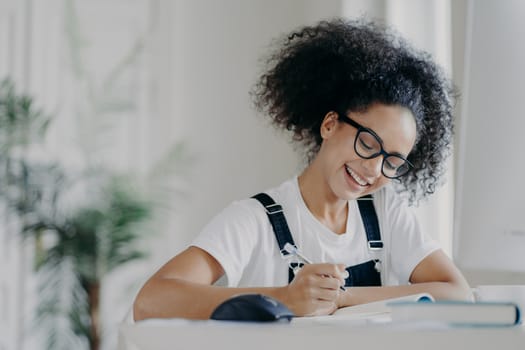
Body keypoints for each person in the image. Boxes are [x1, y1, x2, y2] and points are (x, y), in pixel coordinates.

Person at [133, 18, 471, 321]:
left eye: (392, 161)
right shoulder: (254, 220)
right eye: (368, 144)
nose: (374, 168)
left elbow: (457, 293)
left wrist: (343, 297)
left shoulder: (386, 213)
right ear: (329, 125)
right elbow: (152, 301)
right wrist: (285, 299)